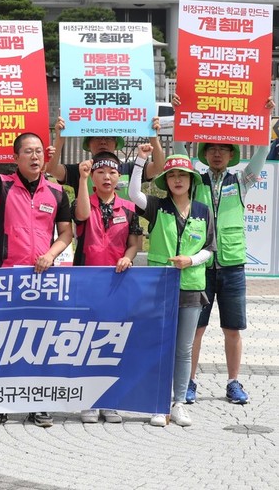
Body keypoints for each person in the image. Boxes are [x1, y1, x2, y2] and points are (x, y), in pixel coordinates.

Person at [0, 123, 74, 428]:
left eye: (39, 151)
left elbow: (66, 234)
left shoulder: (56, 192)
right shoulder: (3, 185)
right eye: (28, 151)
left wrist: (51, 254)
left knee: (40, 342)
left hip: (42, 277)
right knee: (2, 343)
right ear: (16, 158)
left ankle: (38, 404)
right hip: (6, 276)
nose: (35, 156)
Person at [172, 96, 275, 406]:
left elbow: (263, 151)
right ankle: (189, 382)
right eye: (212, 148)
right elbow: (179, 152)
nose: (217, 153)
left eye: (223, 149)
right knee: (196, 329)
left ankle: (233, 381)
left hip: (232, 265)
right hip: (198, 266)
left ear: (231, 154)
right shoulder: (194, 180)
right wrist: (179, 116)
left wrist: (266, 117)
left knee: (233, 328)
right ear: (205, 153)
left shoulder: (242, 181)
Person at [128, 145, 214, 427]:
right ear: (166, 181)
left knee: (184, 348)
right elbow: (133, 194)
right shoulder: (157, 207)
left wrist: (190, 259)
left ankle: (179, 403)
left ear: (191, 181)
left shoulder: (203, 210)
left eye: (183, 175)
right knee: (161, 345)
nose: (178, 179)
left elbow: (210, 249)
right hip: (160, 287)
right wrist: (141, 160)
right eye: (173, 175)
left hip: (191, 287)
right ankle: (158, 403)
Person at [72, 152, 143, 424]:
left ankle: (111, 401)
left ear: (119, 177)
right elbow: (79, 216)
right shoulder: (84, 202)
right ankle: (88, 401)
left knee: (113, 343)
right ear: (94, 176)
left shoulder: (127, 208)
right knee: (87, 341)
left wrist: (129, 256)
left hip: (118, 283)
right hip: (87, 283)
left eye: (112, 173)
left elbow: (135, 242)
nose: (107, 177)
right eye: (101, 172)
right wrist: (81, 179)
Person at [47, 116, 166, 192]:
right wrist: (59, 138)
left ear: (116, 143)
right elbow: (51, 169)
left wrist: (153, 138)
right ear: (88, 144)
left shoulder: (130, 169)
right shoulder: (81, 170)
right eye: (97, 137)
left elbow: (159, 167)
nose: (103, 141)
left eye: (108, 137)